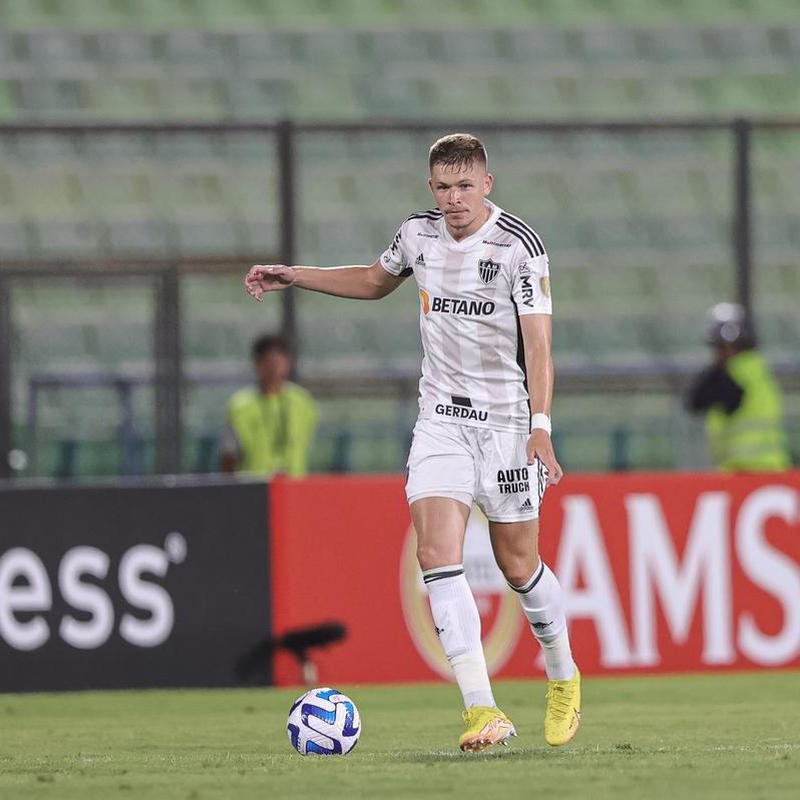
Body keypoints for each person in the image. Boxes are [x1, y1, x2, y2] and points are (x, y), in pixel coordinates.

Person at [244, 133, 579, 751]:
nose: (455, 199)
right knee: (436, 555)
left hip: (506, 424)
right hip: (440, 422)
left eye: (465, 186)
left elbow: (539, 347)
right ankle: (483, 711)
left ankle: (562, 675)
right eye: (444, 188)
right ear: (432, 188)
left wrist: (541, 427)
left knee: (517, 565)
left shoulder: (518, 248)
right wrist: (296, 276)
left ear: (487, 184)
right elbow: (374, 282)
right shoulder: (417, 236)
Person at [684, 302, 790, 472]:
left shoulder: (734, 374)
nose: (721, 353)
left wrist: (715, 371)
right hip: (764, 468)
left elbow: (696, 401)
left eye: (723, 346)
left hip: (749, 470)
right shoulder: (757, 368)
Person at [220, 333, 318, 477]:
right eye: (269, 363)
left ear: (288, 363)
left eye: (279, 363)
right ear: (257, 364)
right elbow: (229, 455)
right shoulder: (240, 405)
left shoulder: (303, 402)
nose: (274, 370)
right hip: (253, 489)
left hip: (294, 488)